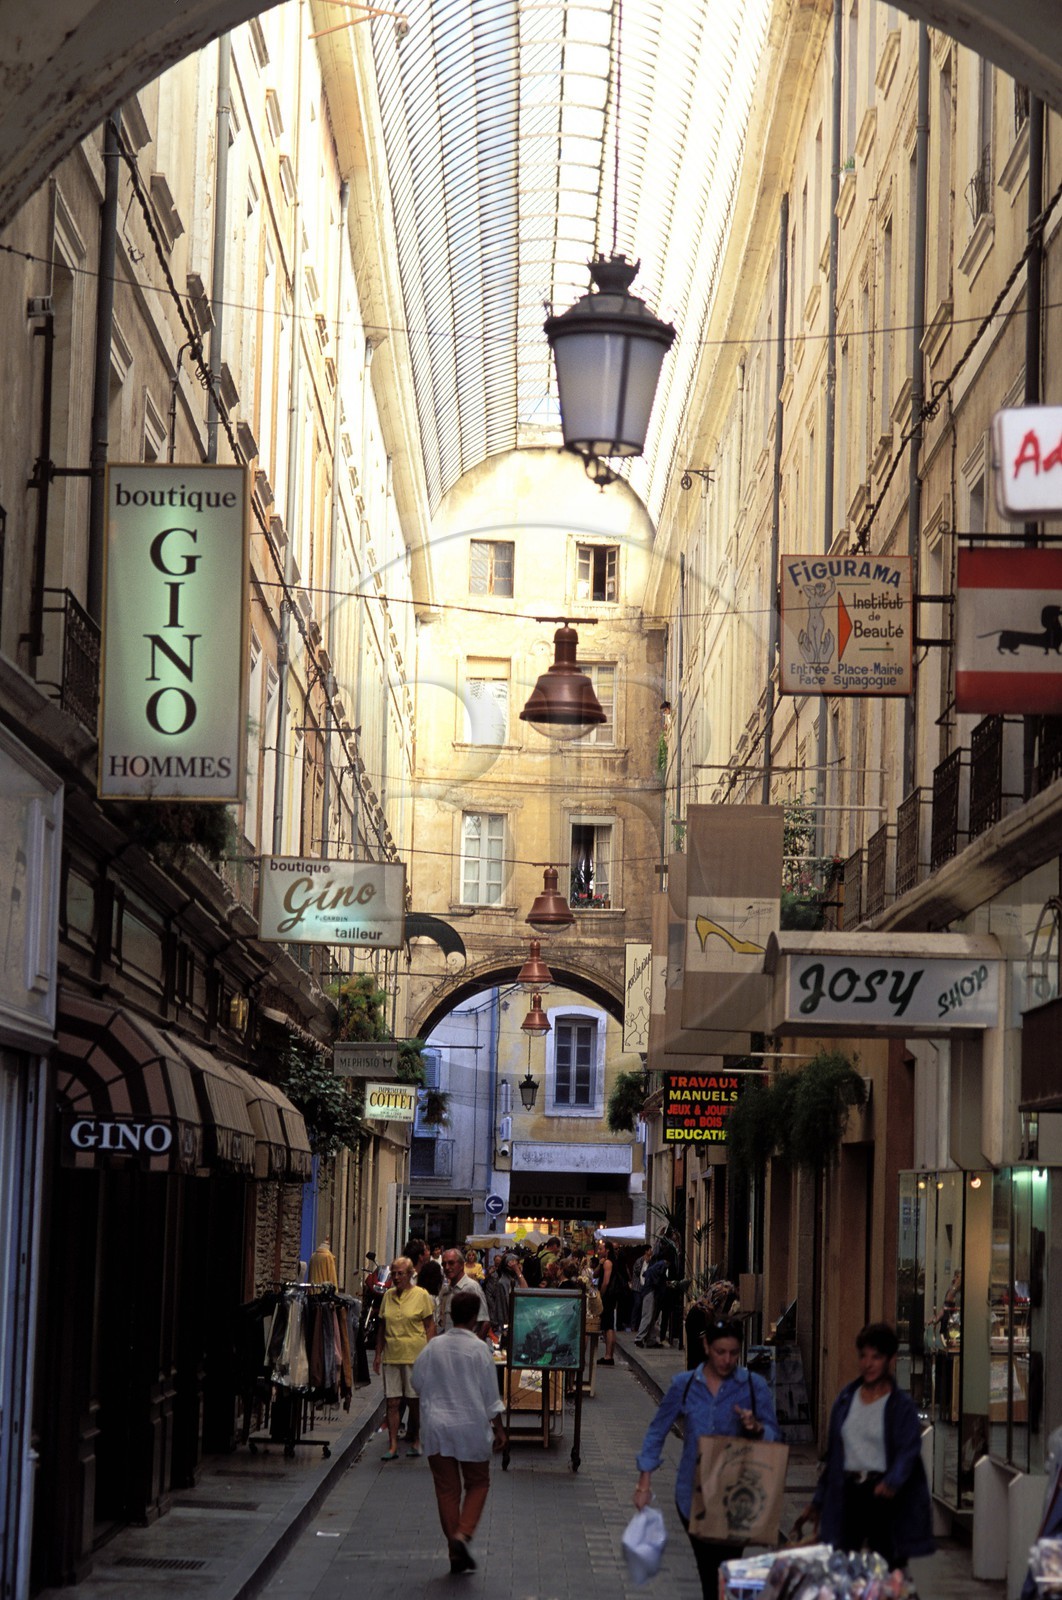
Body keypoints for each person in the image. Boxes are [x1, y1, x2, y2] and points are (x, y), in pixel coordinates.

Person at [633, 1317, 780, 1599]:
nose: (727, 1360)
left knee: (728, 1571)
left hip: (736, 1497)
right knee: (709, 1571)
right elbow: (656, 1431)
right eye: (720, 1352)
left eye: (733, 1353)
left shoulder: (753, 1386)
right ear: (706, 1346)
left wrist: (757, 1427)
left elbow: (774, 1436)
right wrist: (644, 1483)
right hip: (692, 1495)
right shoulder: (684, 1385)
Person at [797, 1322, 934, 1568]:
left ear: (890, 1360)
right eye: (864, 1356)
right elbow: (834, 1456)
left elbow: (908, 1449)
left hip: (883, 1495)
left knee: (887, 1572)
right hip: (849, 1493)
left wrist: (892, 1482)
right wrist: (818, 1501)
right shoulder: (847, 1399)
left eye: (876, 1357)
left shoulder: (899, 1406)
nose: (868, 1364)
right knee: (845, 1570)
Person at [412, 1290, 507, 1576]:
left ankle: (455, 1550)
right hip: (471, 1425)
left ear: (451, 1315)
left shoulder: (433, 1347)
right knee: (478, 1483)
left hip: (437, 1426)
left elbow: (417, 1382)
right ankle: (463, 1535)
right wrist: (500, 1429)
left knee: (447, 1490)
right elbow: (491, 1396)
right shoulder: (480, 1350)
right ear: (477, 1318)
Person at [373, 1256, 435, 1458]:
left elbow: (429, 1325)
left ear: (410, 1275)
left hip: (414, 1357)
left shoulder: (421, 1295)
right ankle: (392, 1445)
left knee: (413, 1400)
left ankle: (416, 1438)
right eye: (394, 1273)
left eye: (400, 1274)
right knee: (392, 1401)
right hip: (392, 1356)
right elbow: (382, 1326)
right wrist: (377, 1354)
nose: (397, 1277)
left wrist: (429, 1352)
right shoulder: (388, 1296)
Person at [438, 1248, 490, 1335]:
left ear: (462, 1265)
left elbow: (485, 1322)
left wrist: (474, 1345)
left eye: (451, 1263)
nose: (447, 1267)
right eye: (444, 1264)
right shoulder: (446, 1290)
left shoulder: (472, 1287)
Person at [597, 1240, 626, 1364]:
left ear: (607, 1250)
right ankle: (609, 1355)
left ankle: (608, 1355)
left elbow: (606, 1282)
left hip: (608, 1297)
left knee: (608, 1325)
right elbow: (594, 1274)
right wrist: (599, 1264)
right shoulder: (607, 1262)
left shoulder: (608, 1263)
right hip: (611, 1297)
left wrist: (601, 1294)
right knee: (609, 1325)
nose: (599, 1251)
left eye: (601, 1249)